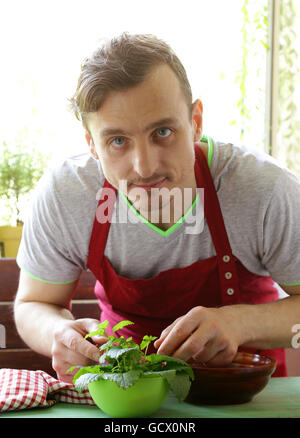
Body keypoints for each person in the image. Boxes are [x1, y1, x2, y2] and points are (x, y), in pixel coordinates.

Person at [14, 33, 300, 383]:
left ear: (195, 121)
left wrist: (238, 323)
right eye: (117, 141)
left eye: (162, 132)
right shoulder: (66, 194)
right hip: (127, 392)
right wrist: (58, 332)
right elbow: (33, 305)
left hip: (246, 393)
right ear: (91, 144)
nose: (145, 167)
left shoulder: (264, 190)